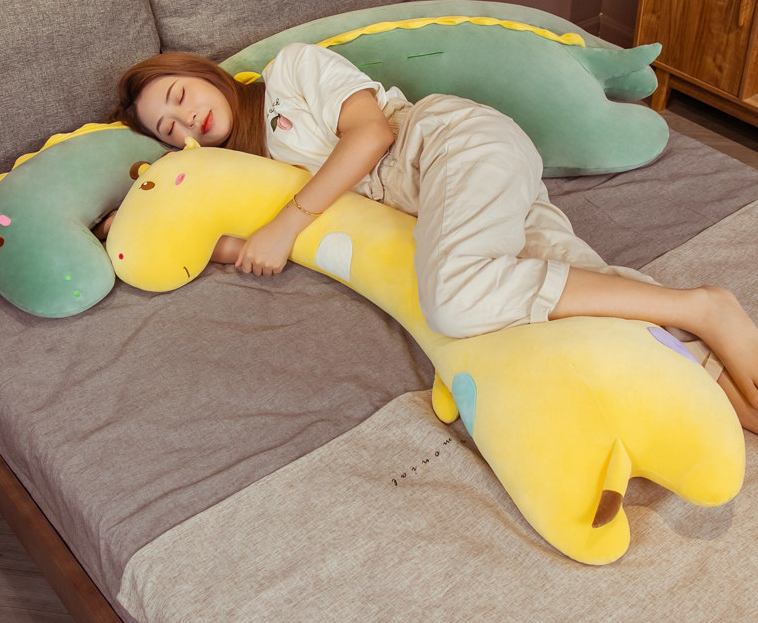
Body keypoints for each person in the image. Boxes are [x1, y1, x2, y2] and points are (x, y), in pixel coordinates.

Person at [110, 43, 758, 432]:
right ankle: (719, 385)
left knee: (454, 299)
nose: (186, 119)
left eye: (179, 95)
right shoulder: (253, 171)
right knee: (577, 300)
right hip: (450, 209)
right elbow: (246, 242)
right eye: (169, 129)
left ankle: (703, 306)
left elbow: (372, 134)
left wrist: (286, 223)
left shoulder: (289, 72)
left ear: (201, 73)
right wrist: (133, 227)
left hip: (448, 147)